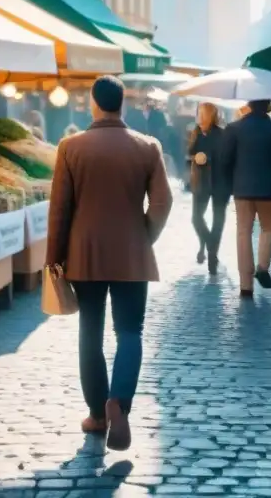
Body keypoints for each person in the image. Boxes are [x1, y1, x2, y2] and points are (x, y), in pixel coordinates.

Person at [46, 76, 172, 451]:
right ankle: (119, 402)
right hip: (132, 253)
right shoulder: (148, 147)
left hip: (85, 254)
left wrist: (54, 259)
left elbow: (59, 211)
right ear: (123, 105)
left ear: (93, 104)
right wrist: (142, 236)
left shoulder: (71, 147)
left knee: (91, 332)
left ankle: (97, 415)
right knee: (130, 332)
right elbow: (163, 204)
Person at [221, 100, 271, 297]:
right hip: (269, 188)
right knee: (268, 228)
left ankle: (245, 285)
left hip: (242, 189)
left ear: (249, 105)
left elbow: (224, 160)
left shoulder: (233, 128)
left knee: (243, 232)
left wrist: (233, 181)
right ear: (268, 106)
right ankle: (262, 267)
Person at [187, 103, 230, 274]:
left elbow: (227, 157)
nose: (199, 117)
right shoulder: (196, 132)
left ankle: (212, 257)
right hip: (201, 182)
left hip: (220, 183)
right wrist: (195, 156)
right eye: (198, 113)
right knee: (196, 218)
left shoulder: (222, 133)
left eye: (202, 114)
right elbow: (189, 152)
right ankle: (211, 246)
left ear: (209, 115)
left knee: (218, 220)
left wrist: (210, 158)